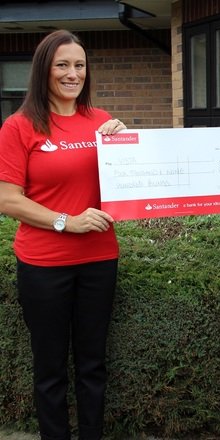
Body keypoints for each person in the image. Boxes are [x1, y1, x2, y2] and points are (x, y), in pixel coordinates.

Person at [0, 30, 127, 440]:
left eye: (79, 65)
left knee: (93, 364)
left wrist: (126, 146)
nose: (73, 74)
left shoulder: (102, 122)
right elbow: (8, 200)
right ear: (44, 70)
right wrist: (65, 221)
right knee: (50, 368)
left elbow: (127, 184)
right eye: (62, 65)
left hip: (99, 260)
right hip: (44, 265)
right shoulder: (19, 127)